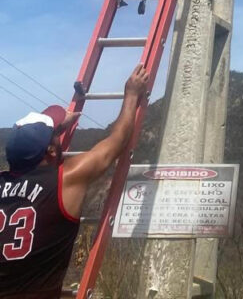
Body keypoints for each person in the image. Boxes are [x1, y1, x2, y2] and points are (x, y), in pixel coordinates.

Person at [0, 63, 149, 298]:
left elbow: (35, 150)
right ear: (50, 150)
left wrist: (52, 132)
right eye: (55, 135)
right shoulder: (64, 180)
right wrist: (131, 95)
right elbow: (116, 142)